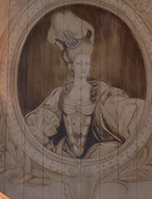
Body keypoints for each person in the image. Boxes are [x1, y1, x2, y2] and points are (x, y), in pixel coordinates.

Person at [25, 10, 144, 159]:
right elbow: (38, 121)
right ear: (71, 65)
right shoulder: (60, 94)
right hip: (64, 154)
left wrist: (133, 118)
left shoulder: (100, 90)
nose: (84, 67)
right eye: (79, 63)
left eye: (87, 63)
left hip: (92, 155)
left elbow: (121, 110)